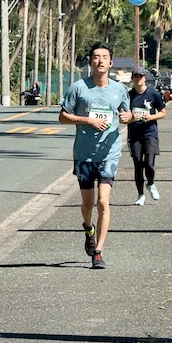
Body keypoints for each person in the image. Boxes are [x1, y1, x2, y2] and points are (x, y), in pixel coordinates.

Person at [59, 42, 132, 269]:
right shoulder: (79, 88)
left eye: (104, 57)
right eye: (96, 57)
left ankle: (98, 252)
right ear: (91, 62)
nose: (100, 61)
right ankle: (88, 229)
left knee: (103, 201)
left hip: (109, 153)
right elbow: (63, 117)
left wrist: (127, 117)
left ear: (111, 63)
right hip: (84, 154)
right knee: (87, 204)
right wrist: (87, 120)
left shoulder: (119, 90)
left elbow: (126, 113)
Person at [127, 65, 167, 205]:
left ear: (145, 78)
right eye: (135, 76)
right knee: (138, 164)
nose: (138, 79)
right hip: (134, 135)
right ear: (132, 79)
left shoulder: (153, 94)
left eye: (140, 76)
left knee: (149, 163)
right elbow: (123, 116)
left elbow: (163, 112)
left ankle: (150, 183)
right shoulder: (129, 96)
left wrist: (150, 117)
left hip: (150, 133)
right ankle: (140, 195)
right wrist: (132, 117)